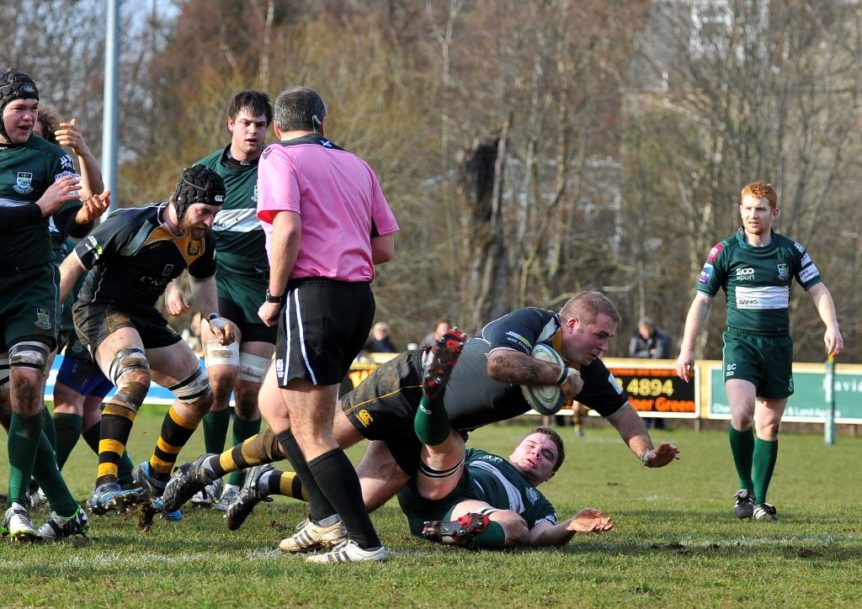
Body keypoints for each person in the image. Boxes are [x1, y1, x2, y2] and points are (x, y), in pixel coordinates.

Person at [165, 293, 678, 538]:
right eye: (600, 336)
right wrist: (556, 377)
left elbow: (622, 411)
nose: (604, 347)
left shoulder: (585, 366)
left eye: (609, 339)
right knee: (318, 440)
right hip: (409, 386)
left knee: (355, 500)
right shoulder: (534, 324)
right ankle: (210, 467)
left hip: (438, 425)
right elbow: (500, 364)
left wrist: (647, 453)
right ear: (571, 323)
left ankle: (261, 484)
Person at [254, 86, 399, 563]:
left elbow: (288, 229)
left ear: (278, 127)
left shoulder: (278, 157)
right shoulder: (358, 165)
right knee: (274, 405)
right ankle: (324, 517)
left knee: (313, 429)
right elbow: (384, 249)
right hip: (357, 300)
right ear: (322, 122)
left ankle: (363, 543)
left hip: (311, 296)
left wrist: (274, 296)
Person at [58, 164, 235, 516]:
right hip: (99, 308)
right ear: (182, 201)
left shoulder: (201, 239)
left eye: (215, 213)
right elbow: (72, 265)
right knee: (134, 376)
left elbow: (203, 279)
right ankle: (105, 483)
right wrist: (45, 319)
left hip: (142, 315)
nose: (209, 221)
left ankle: (154, 478)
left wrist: (212, 315)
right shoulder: (130, 224)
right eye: (204, 211)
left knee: (201, 394)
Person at [675, 181, 843, 522]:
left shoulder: (790, 251)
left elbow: (819, 289)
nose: (754, 214)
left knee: (770, 426)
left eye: (761, 209)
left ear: (774, 213)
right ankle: (744, 486)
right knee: (741, 413)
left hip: (778, 346)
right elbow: (702, 300)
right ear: (741, 211)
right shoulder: (724, 251)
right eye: (748, 208)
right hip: (741, 344)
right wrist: (686, 348)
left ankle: (761, 502)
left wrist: (832, 326)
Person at [0, 70, 109, 541]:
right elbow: (37, 212)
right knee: (9, 407)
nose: (27, 117)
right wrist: (39, 208)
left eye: (32, 108)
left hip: (30, 291)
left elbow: (73, 224)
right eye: (18, 109)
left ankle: (18, 505)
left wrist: (87, 212)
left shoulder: (50, 158)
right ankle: (66, 508)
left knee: (26, 385)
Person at [164, 91, 274, 510]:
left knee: (248, 393)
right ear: (231, 123)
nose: (253, 131)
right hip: (218, 286)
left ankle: (240, 478)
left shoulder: (279, 168)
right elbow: (177, 231)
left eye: (260, 125)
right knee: (219, 379)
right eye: (246, 123)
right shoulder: (205, 171)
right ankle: (210, 473)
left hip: (264, 294)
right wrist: (172, 285)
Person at [401, 426, 613, 549]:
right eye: (530, 446)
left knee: (515, 525)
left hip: (461, 508)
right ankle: (426, 403)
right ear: (514, 450)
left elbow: (539, 537)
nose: (536, 453)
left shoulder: (540, 504)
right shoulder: (481, 455)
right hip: (440, 482)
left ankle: (445, 531)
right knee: (451, 442)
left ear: (551, 475)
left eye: (547, 455)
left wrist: (571, 525)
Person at [629, 317, 670, 429]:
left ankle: (659, 425)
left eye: (648, 329)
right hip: (642, 375)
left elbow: (660, 354)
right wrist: (649, 353)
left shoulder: (661, 337)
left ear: (652, 329)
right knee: (644, 399)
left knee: (659, 399)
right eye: (643, 330)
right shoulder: (636, 336)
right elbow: (633, 353)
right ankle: (645, 424)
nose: (646, 332)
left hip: (660, 375)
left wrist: (645, 355)